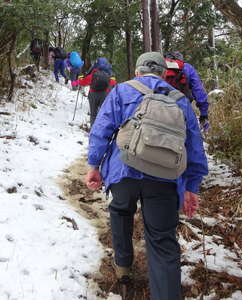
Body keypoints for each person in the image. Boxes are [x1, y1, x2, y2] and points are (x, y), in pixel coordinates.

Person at [85, 52, 208, 300]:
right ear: (164, 74)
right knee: (162, 240)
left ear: (138, 72)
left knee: (120, 213)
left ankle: (123, 268)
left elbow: (101, 129)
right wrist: (191, 186)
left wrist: (94, 165)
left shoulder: (121, 91)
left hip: (123, 171)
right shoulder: (180, 101)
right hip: (164, 179)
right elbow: (194, 147)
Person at [164, 51, 210, 132]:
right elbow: (198, 90)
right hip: (183, 107)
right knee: (191, 134)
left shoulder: (160, 67)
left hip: (161, 108)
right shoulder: (187, 68)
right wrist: (204, 113)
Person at [77, 57, 117, 126]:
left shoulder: (93, 73)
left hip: (93, 94)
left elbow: (82, 82)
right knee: (103, 113)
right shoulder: (108, 75)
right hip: (104, 94)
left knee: (93, 114)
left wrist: (80, 78)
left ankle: (93, 130)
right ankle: (102, 129)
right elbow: (114, 84)